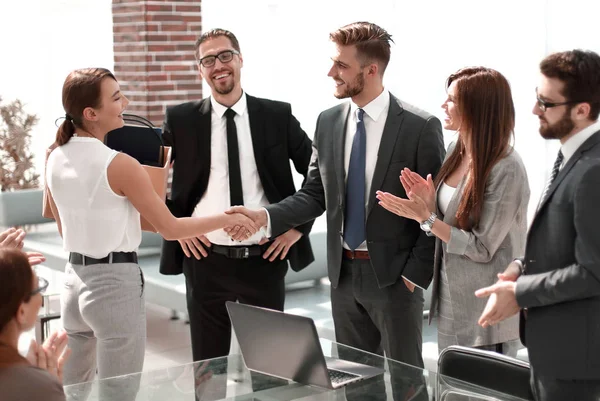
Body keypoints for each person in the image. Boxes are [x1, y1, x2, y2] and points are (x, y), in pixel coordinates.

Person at [231, 21, 444, 386]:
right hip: (343, 276)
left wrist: (413, 275)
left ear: (371, 70)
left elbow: (434, 210)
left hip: (395, 281)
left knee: (410, 385)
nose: (331, 72)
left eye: (341, 65)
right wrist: (265, 216)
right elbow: (315, 193)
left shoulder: (419, 126)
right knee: (357, 384)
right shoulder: (328, 122)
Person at [45, 68, 258, 400]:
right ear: (91, 113)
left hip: (73, 284)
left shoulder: (54, 156)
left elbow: (63, 226)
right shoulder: (120, 164)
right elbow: (170, 229)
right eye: (116, 98)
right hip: (114, 288)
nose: (125, 103)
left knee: (72, 392)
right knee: (119, 394)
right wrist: (225, 217)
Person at [158, 28, 314, 362]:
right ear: (200, 70)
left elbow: (320, 174)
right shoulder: (181, 120)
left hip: (265, 259)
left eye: (225, 55)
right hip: (204, 261)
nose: (218, 65)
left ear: (240, 59)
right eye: (208, 60)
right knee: (207, 369)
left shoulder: (277, 115)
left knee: (272, 368)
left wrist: (296, 227)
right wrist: (179, 226)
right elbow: (151, 182)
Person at [376, 67, 530, 355]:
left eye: (452, 100)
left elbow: (482, 248)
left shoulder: (507, 167)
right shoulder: (455, 149)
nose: (443, 106)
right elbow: (450, 222)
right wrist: (427, 206)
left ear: (477, 107)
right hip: (451, 302)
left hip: (487, 309)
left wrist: (427, 218)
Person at [476, 50, 600, 401]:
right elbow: (566, 245)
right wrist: (520, 267)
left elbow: (594, 271)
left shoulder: (593, 170)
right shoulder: (570, 157)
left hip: (575, 360)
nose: (534, 110)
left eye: (546, 103)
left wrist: (520, 293)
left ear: (582, 109)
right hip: (554, 352)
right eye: (536, 97)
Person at [0, 248, 70, 401]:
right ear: (21, 312)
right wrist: (46, 384)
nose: (41, 299)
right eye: (39, 288)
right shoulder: (38, 388)